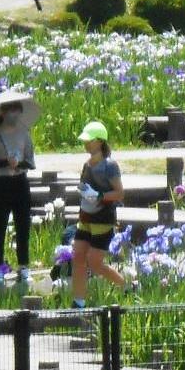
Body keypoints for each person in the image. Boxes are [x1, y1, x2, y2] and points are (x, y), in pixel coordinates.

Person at [69, 120, 127, 308]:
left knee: (94, 262)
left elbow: (119, 193)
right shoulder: (86, 164)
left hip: (102, 220)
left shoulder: (110, 165)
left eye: (90, 140)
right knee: (77, 256)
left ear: (100, 141)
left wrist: (100, 196)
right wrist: (84, 192)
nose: (86, 144)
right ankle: (78, 302)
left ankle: (126, 286)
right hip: (85, 217)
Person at [0, 99, 36, 284]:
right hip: (1, 183)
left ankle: (23, 266)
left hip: (20, 182)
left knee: (23, 226)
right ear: (3, 113)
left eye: (17, 111)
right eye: (10, 110)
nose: (14, 115)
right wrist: (5, 162)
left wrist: (18, 163)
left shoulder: (24, 134)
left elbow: (30, 161)